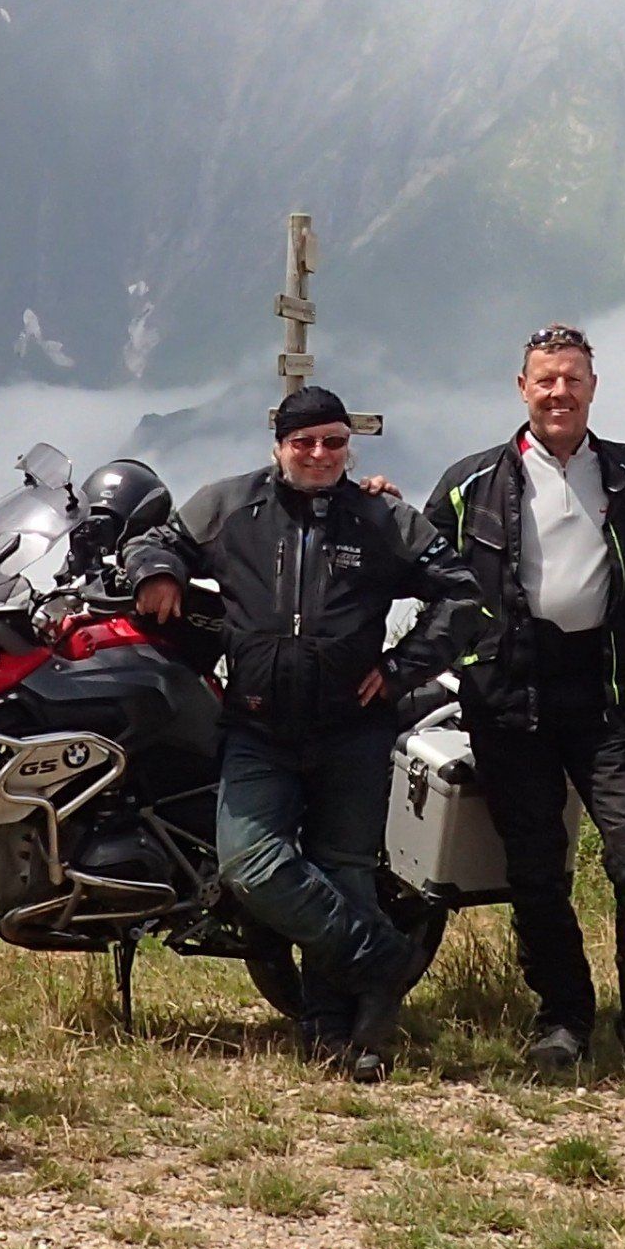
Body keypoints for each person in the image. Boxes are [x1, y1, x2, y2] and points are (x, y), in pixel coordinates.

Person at [128, 386, 476, 1081]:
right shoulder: (230, 506)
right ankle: (384, 958)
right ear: (279, 444)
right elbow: (154, 539)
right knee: (250, 865)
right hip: (259, 726)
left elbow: (463, 592)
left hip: (353, 728)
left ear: (349, 447)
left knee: (344, 871)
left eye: (334, 443)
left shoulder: (380, 516)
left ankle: (338, 1033)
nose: (319, 455)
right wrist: (159, 571)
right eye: (304, 442)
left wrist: (404, 669)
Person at [424, 327, 625, 1088]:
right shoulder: (469, 483)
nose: (559, 393)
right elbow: (416, 562)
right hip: (510, 696)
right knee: (536, 873)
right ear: (522, 387)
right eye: (545, 380)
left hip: (606, 695)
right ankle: (564, 1018)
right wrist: (374, 497)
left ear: (593, 388)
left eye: (572, 379)